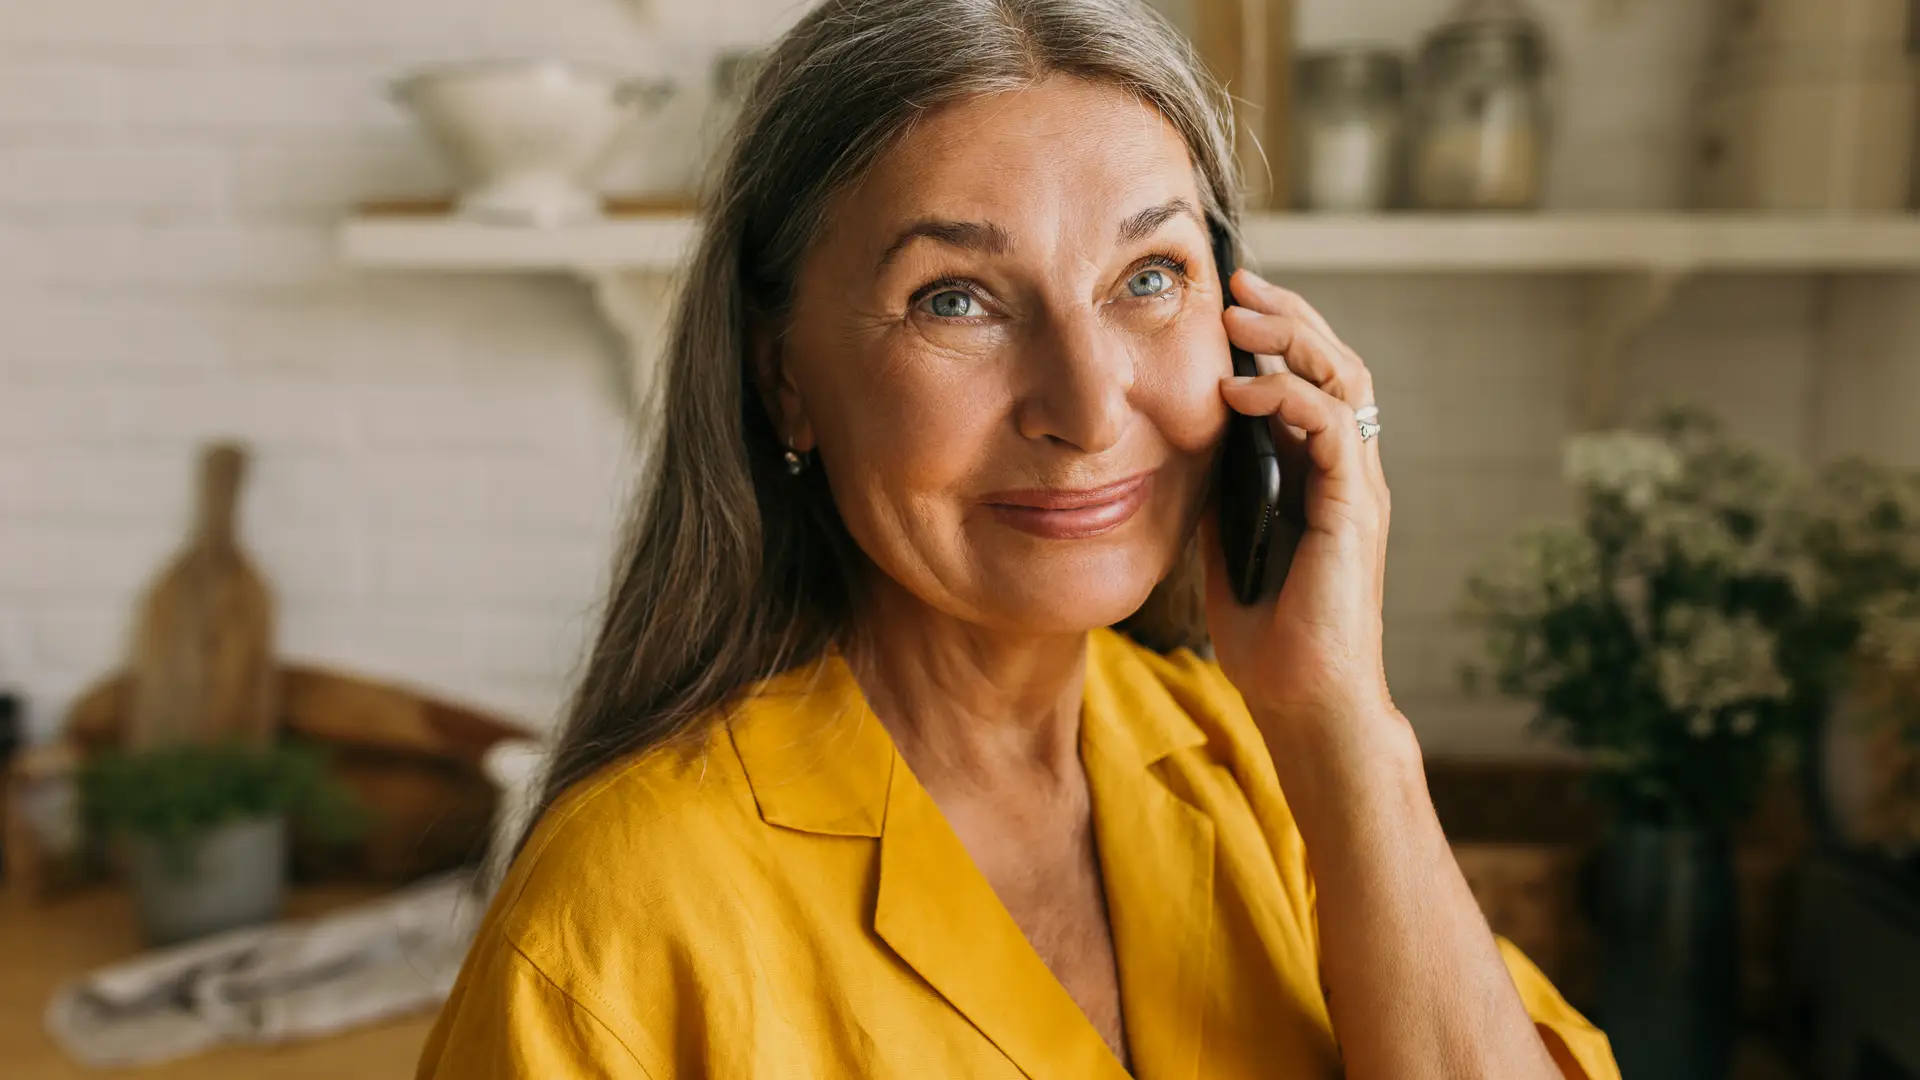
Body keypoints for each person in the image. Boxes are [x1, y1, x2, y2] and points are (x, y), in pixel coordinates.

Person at [419, 0, 1619, 1076]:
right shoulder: (617, 917)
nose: (1092, 409)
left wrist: (1342, 716)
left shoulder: (1250, 758)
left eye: (1150, 277)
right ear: (783, 377)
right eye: (957, 299)